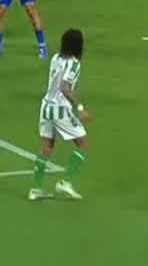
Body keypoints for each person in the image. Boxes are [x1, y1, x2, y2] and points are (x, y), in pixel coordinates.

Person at [29, 28, 91, 201]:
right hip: (60, 109)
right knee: (83, 144)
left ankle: (35, 188)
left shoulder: (56, 58)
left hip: (46, 106)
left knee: (46, 148)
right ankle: (66, 182)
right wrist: (79, 108)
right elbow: (65, 87)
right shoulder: (74, 63)